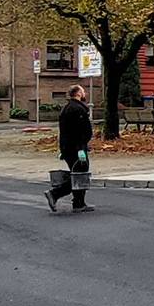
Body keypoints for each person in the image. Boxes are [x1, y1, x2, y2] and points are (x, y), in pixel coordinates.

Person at [48, 84, 93, 213]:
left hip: (68, 147)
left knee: (79, 173)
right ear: (78, 93)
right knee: (80, 175)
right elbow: (78, 131)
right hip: (76, 148)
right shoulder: (77, 109)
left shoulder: (67, 108)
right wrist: (81, 147)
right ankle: (55, 194)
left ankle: (78, 202)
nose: (85, 94)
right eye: (83, 92)